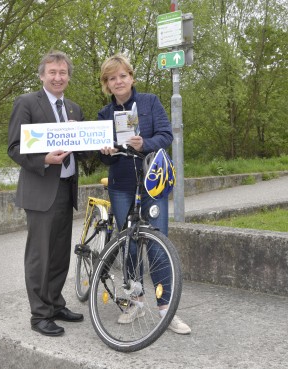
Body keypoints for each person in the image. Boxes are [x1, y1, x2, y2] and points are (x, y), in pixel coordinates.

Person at [98, 53, 191, 335]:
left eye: (122, 76)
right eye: (112, 78)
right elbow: (103, 159)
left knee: (158, 245)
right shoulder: (104, 114)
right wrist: (107, 153)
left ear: (131, 77)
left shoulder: (150, 101)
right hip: (122, 185)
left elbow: (166, 134)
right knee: (129, 245)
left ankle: (166, 309)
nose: (118, 81)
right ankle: (136, 302)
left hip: (152, 183)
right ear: (107, 84)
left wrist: (144, 143)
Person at [8, 50, 85, 337]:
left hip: (66, 189)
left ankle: (55, 304)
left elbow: (84, 151)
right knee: (39, 256)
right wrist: (44, 160)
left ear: (68, 76)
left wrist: (94, 139)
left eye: (62, 72)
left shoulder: (75, 109)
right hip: (41, 190)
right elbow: (14, 147)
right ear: (42, 75)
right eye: (52, 72)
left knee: (59, 254)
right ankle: (39, 315)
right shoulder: (27, 103)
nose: (57, 77)